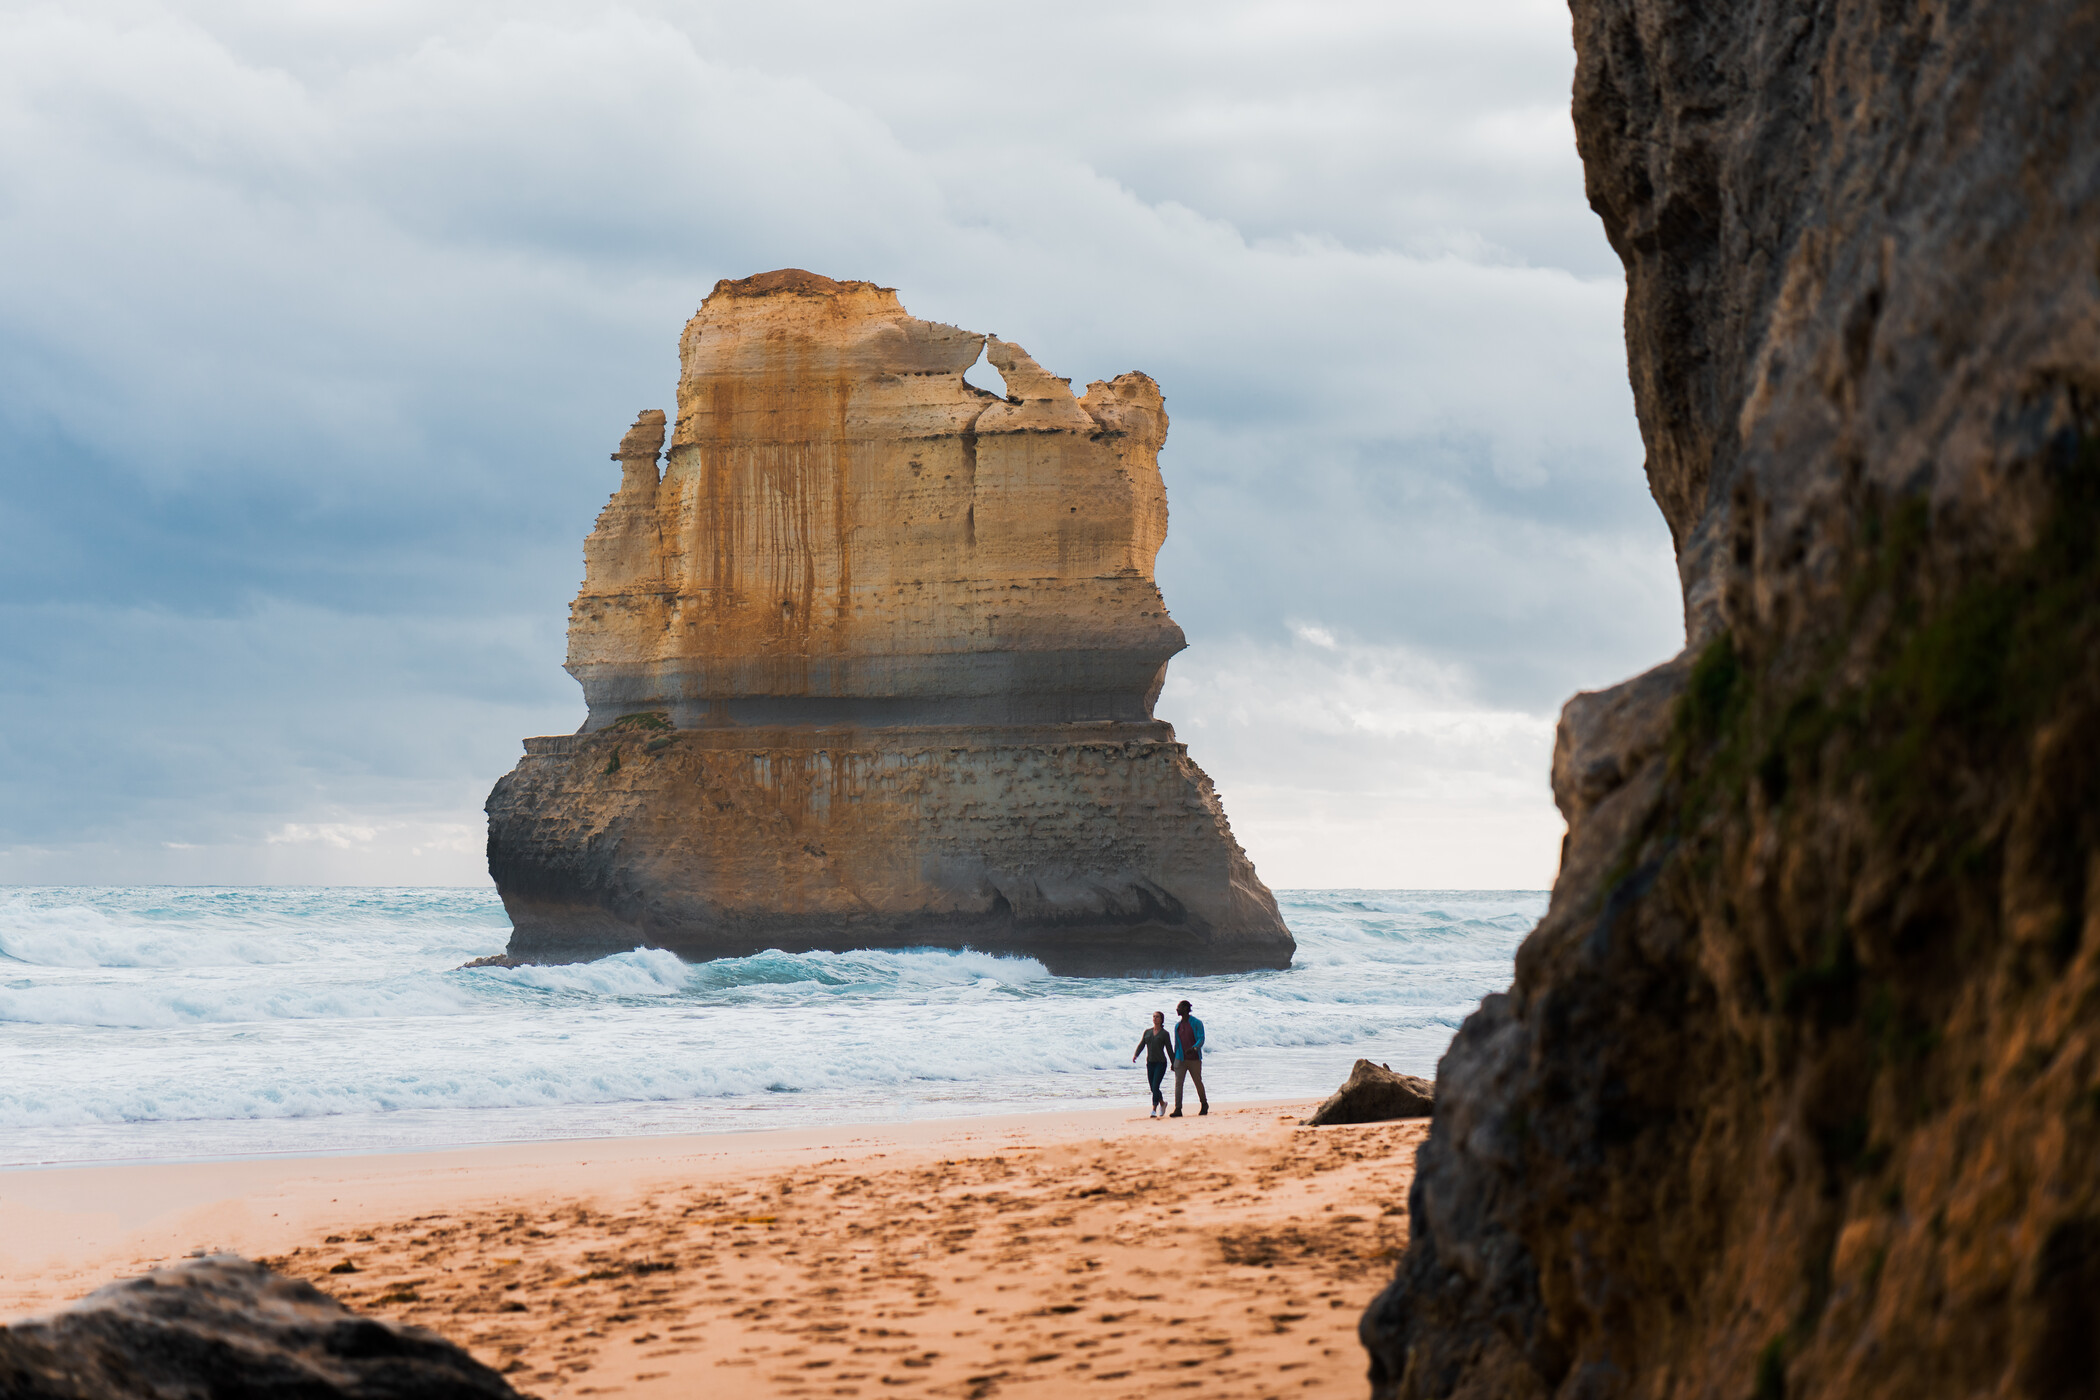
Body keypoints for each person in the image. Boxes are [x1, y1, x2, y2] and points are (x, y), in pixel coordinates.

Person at [1169, 999, 1208, 1117]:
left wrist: (1194, 1048)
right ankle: (1178, 1109)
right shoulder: (1177, 1026)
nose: (1177, 1009)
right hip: (1180, 1059)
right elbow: (1176, 1045)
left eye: (1179, 1007)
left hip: (1194, 1059)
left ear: (1185, 1009)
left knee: (1197, 1082)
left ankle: (1204, 1104)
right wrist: (1174, 1061)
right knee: (1178, 1084)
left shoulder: (1197, 1022)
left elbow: (1201, 1038)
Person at [1132, 1011, 1173, 1117]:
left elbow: (1169, 1049)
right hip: (1150, 1063)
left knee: (1155, 1086)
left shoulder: (1164, 1034)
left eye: (1157, 1017)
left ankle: (1154, 1109)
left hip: (1161, 1063)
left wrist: (1173, 1063)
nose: (1155, 1018)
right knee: (1152, 1087)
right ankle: (1162, 1104)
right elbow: (1142, 1044)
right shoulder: (1147, 1032)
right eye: (1154, 1016)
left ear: (1161, 1020)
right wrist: (1136, 1055)